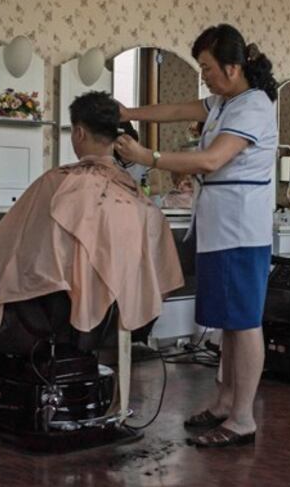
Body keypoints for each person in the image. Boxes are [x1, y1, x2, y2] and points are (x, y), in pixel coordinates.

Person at [0, 91, 183, 367]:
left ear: (79, 133)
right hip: (121, 308)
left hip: (55, 311)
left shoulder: (56, 182)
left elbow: (14, 251)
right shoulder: (138, 198)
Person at [115, 23, 278, 448]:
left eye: (207, 67)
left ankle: (243, 418)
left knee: (244, 324)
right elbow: (179, 109)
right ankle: (225, 402)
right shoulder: (226, 101)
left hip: (241, 228)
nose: (203, 75)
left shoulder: (254, 106)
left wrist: (147, 156)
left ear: (232, 66)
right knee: (227, 322)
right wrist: (129, 114)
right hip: (220, 224)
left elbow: (211, 159)